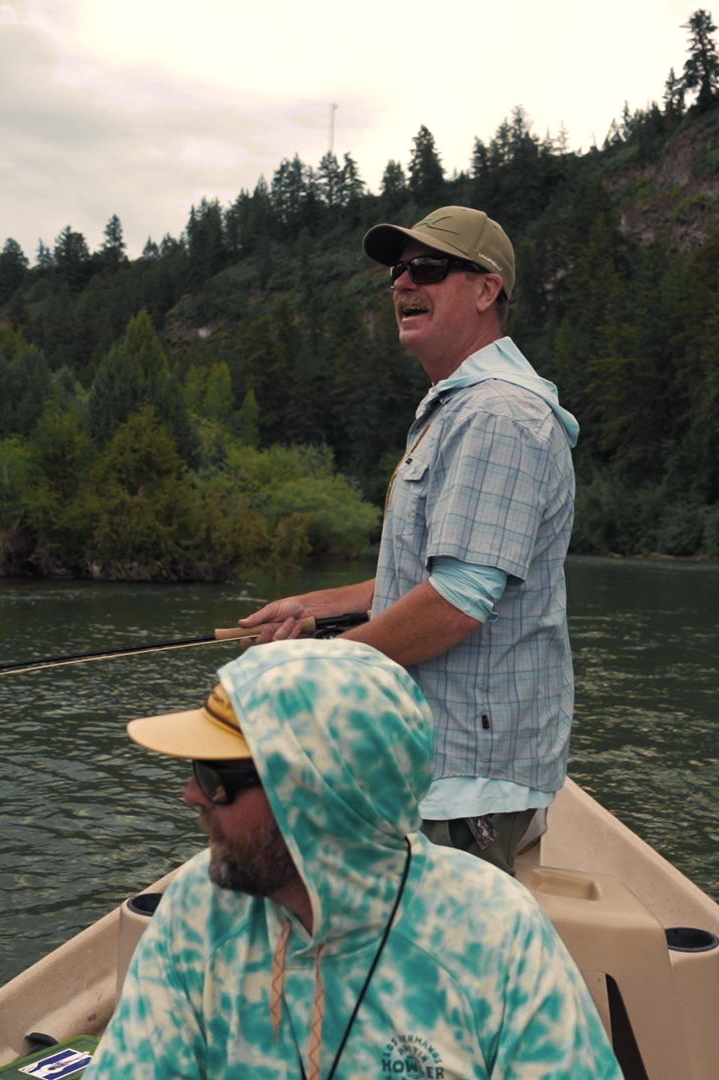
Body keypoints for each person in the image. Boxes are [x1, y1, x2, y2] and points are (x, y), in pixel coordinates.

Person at [87, 638, 622, 1080]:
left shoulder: (494, 930)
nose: (191, 795)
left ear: (315, 799)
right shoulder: (197, 910)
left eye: (213, 776)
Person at [239, 205, 578, 874]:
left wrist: (317, 664)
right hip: (432, 762)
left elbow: (456, 603)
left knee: (430, 969)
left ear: (486, 291)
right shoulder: (462, 408)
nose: (402, 284)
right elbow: (421, 578)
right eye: (398, 271)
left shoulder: (497, 414)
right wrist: (315, 610)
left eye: (427, 267)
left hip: (463, 783)